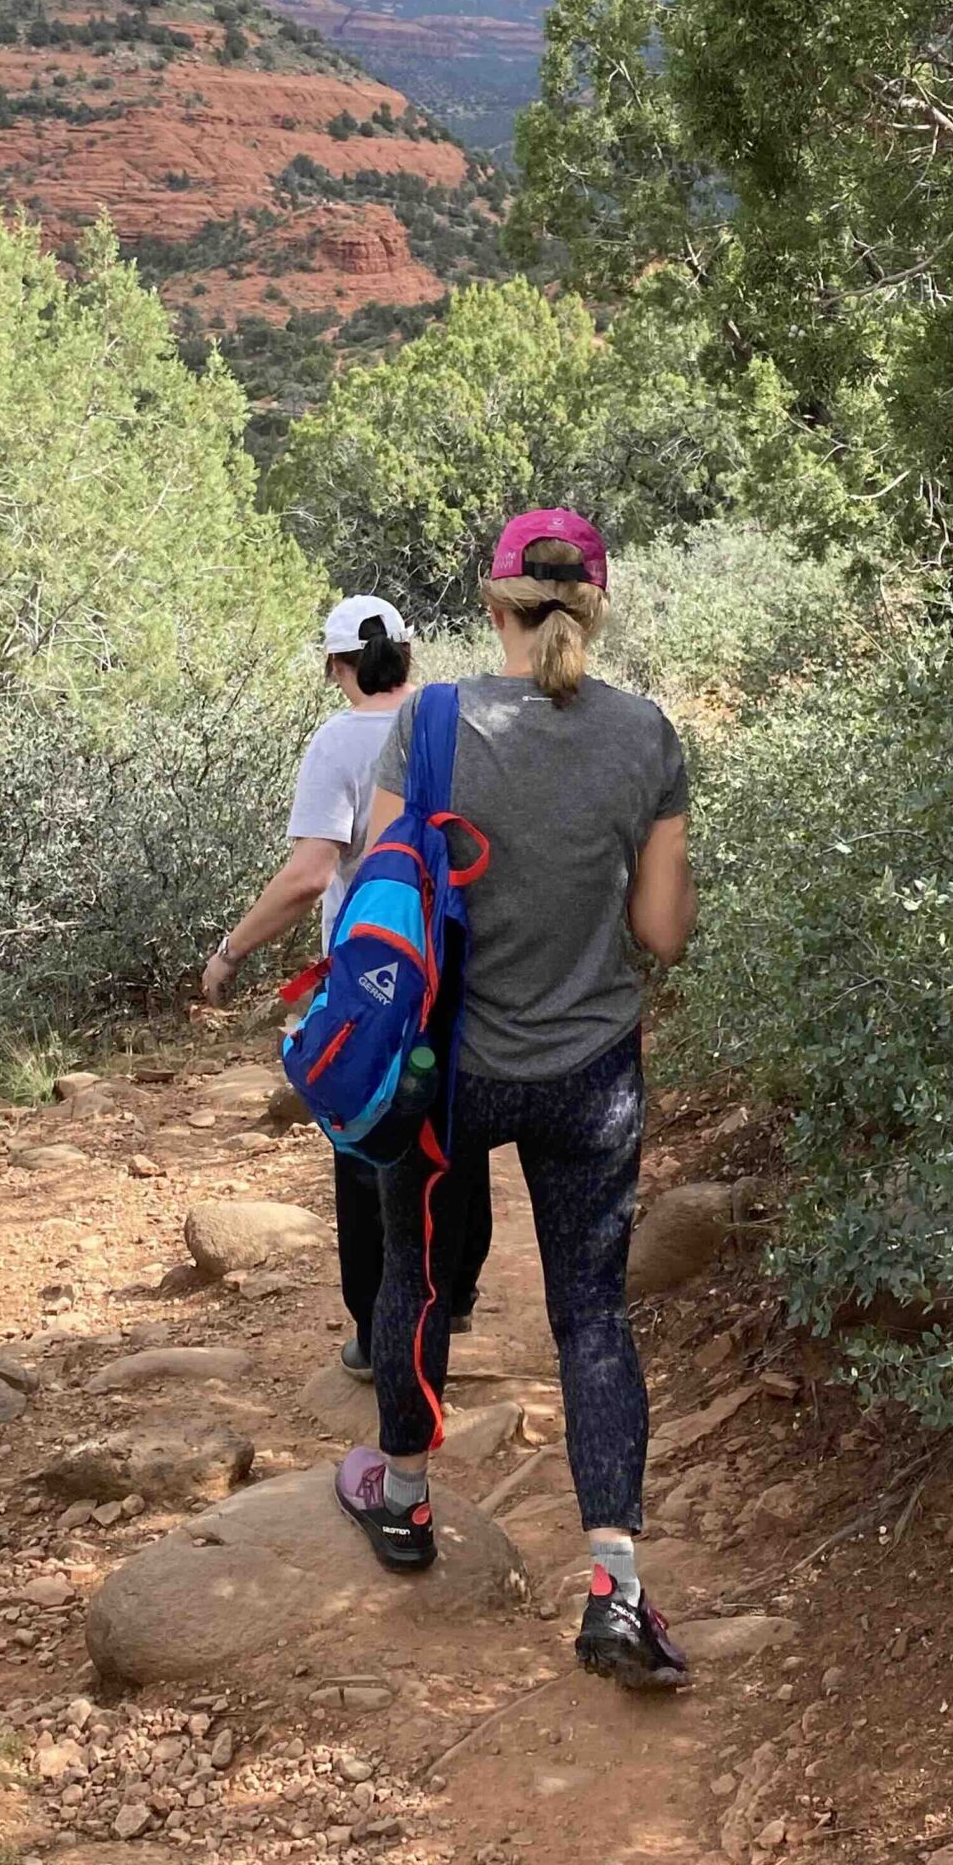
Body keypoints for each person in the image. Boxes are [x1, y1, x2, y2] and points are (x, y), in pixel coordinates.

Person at [333, 512, 698, 1692]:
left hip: (448, 1070)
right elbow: (661, 934)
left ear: (493, 604)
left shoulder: (432, 724)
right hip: (590, 1073)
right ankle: (616, 1591)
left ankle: (402, 1498)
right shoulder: (646, 735)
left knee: (419, 1276)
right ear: (596, 606)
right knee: (593, 1319)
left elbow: (384, 898)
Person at [202, 593, 493, 1378]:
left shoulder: (337, 742)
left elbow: (309, 874)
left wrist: (230, 953)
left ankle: (378, 1330)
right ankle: (454, 1294)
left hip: (372, 972)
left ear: (337, 666)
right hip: (459, 954)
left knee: (366, 1126)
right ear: (407, 653)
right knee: (453, 1121)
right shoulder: (454, 720)